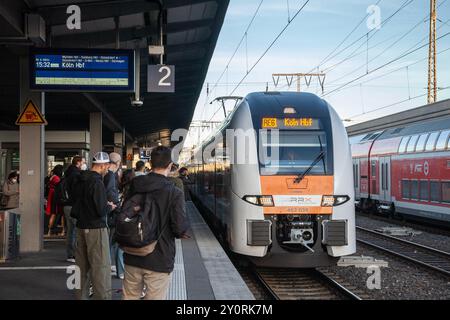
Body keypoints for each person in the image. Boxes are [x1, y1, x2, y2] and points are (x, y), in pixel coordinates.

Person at [122, 146, 189, 300]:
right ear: (170, 165)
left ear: (150, 164)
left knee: (130, 296)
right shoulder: (174, 192)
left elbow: (126, 211)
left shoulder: (135, 183)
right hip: (159, 256)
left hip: (132, 252)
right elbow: (179, 228)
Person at [71, 152, 116, 300]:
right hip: (96, 229)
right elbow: (100, 210)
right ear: (102, 165)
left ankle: (80, 297)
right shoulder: (97, 182)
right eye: (107, 166)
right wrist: (110, 206)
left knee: (80, 268)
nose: (107, 170)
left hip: (81, 227)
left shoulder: (80, 179)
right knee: (100, 268)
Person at [104, 152, 124, 280]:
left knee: (111, 242)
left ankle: (111, 266)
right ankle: (118, 270)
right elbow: (110, 192)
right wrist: (117, 204)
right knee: (115, 242)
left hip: (107, 212)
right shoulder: (110, 176)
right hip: (112, 212)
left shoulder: (105, 174)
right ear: (117, 164)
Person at [63, 156, 86, 263]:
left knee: (70, 231)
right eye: (83, 162)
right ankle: (77, 255)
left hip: (67, 205)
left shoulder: (67, 173)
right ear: (78, 162)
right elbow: (78, 192)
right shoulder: (76, 175)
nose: (84, 164)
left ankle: (70, 254)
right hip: (74, 206)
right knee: (77, 232)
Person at [46, 165, 64, 236]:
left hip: (52, 195)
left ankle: (49, 231)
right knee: (61, 214)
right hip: (56, 196)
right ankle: (63, 231)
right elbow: (60, 186)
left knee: (53, 214)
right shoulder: (56, 178)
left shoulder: (52, 177)